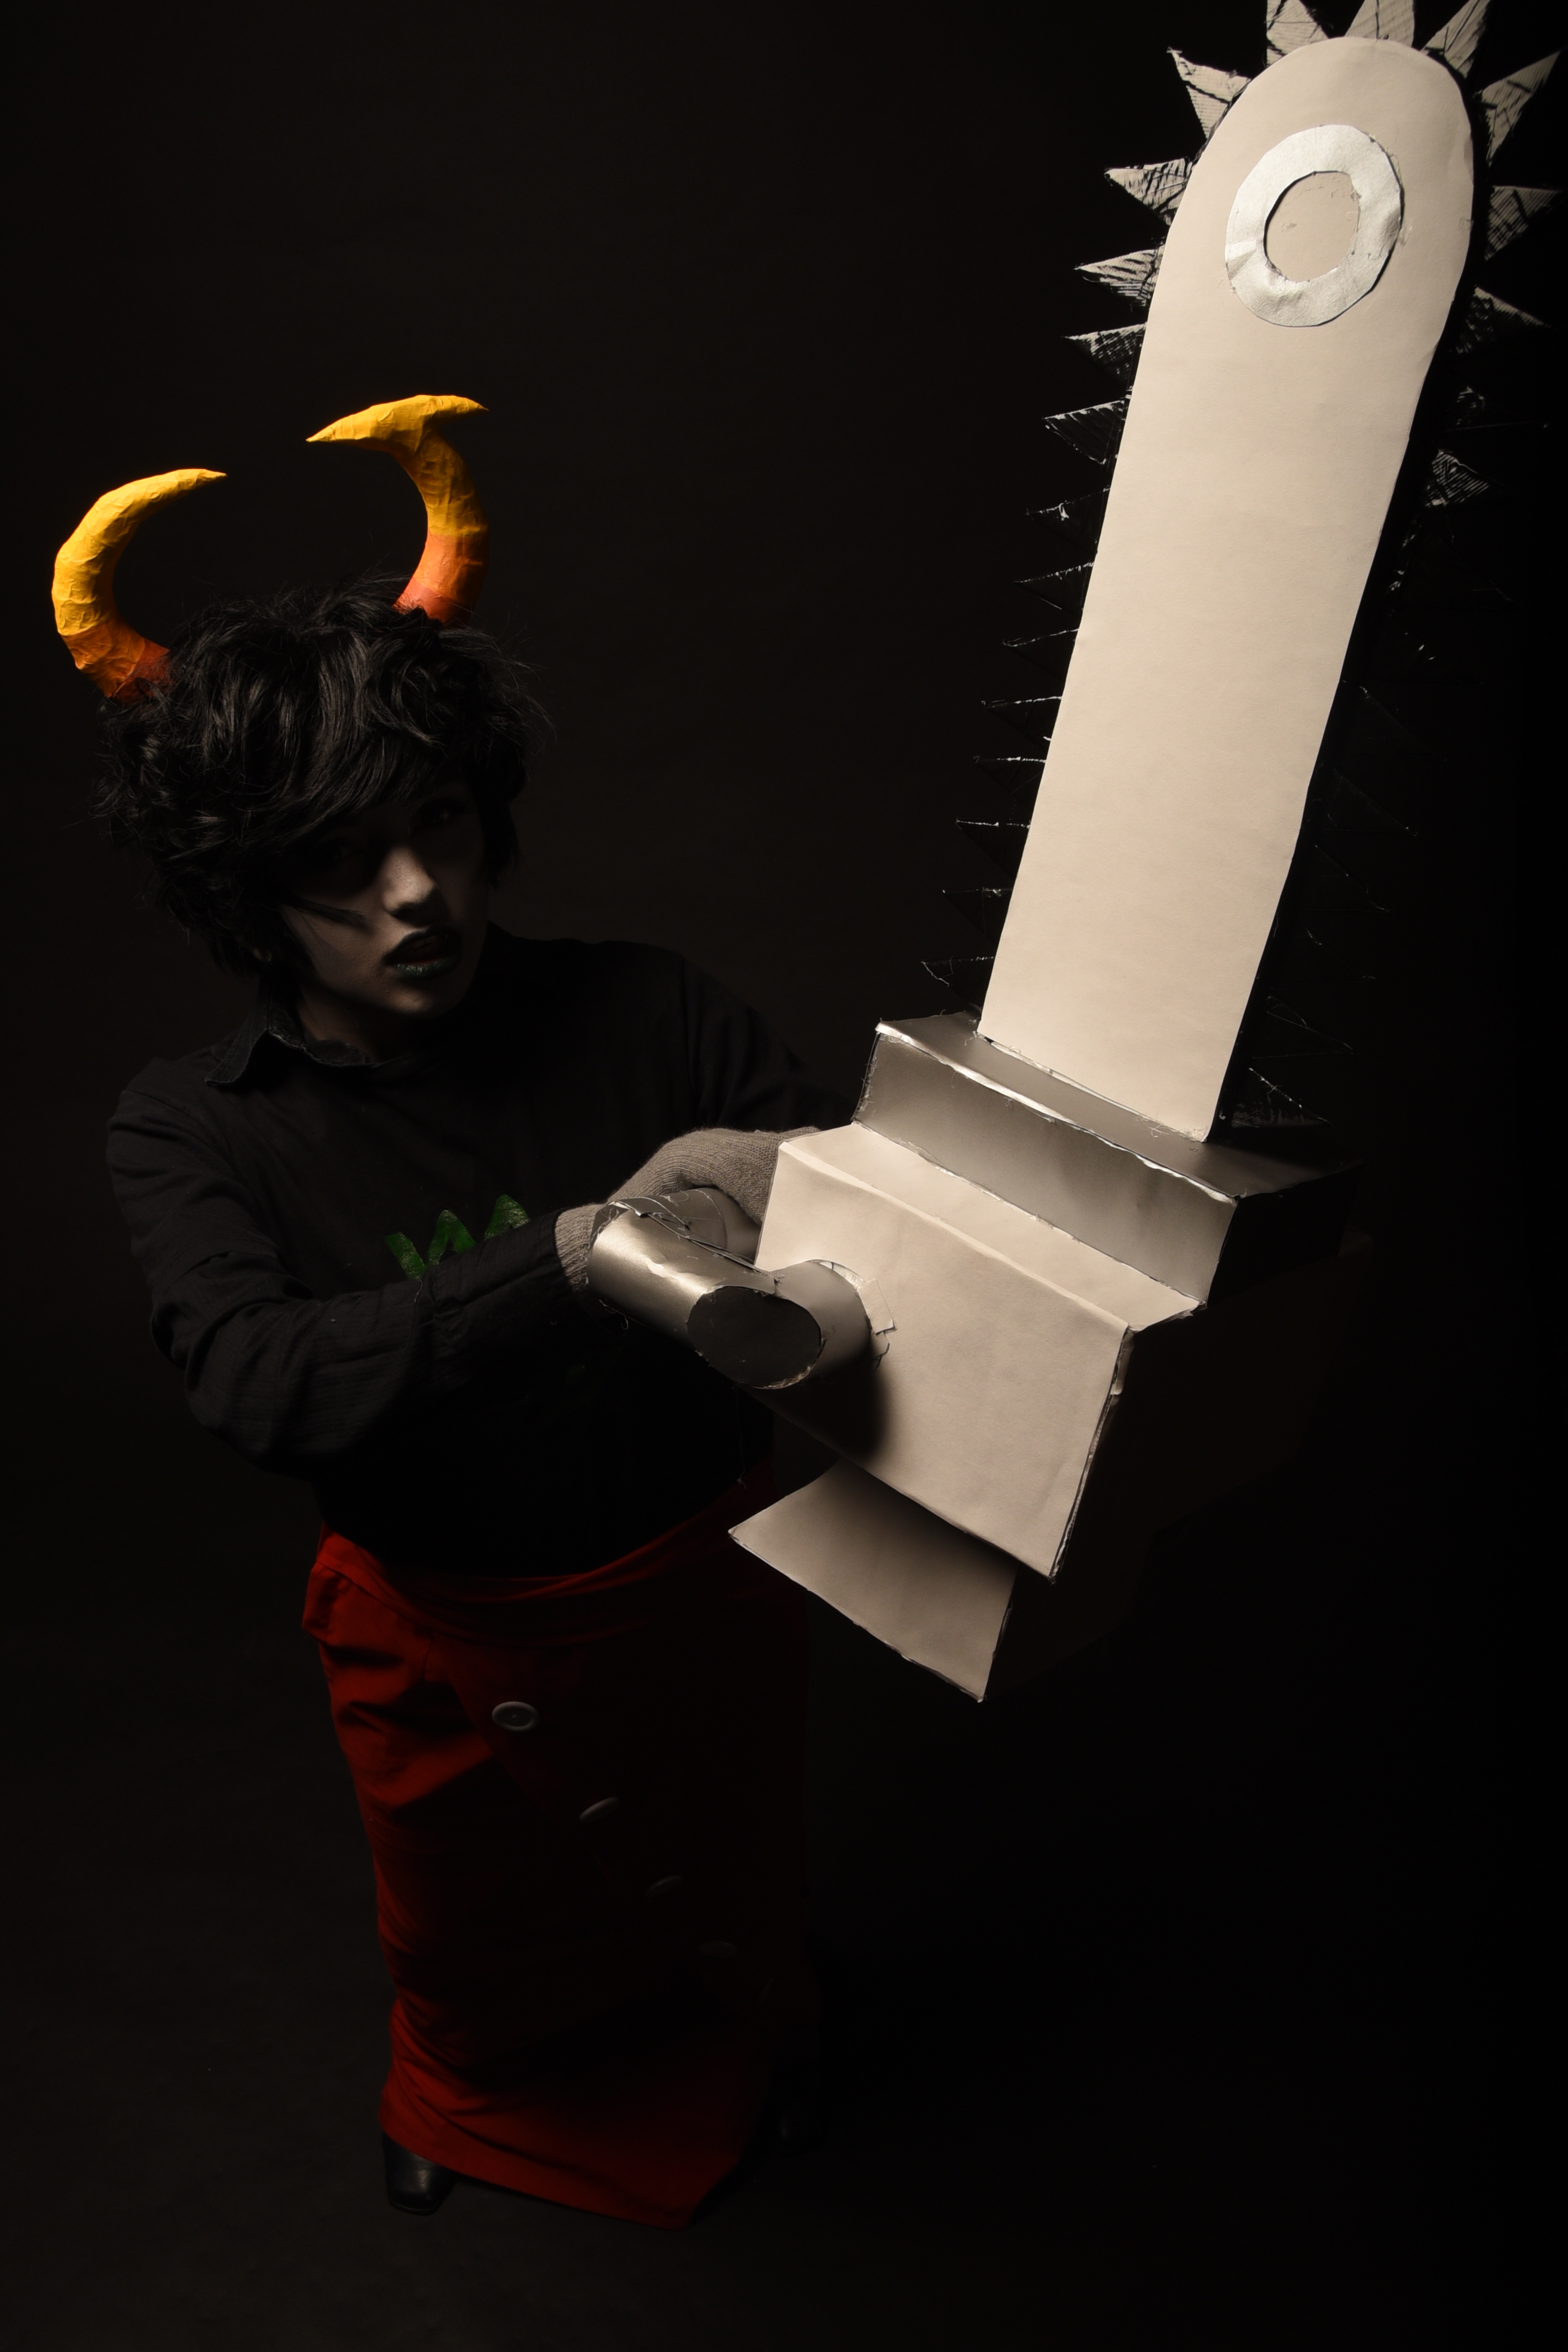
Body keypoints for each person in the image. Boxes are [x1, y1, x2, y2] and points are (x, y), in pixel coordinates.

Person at [57, 399, 844, 2227]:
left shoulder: (650, 1008)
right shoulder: (193, 1126)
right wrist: (577, 1254)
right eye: (341, 861)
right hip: (446, 1634)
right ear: (253, 892)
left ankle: (746, 2052)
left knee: (723, 1867)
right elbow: (260, 1387)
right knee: (472, 1911)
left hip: (704, 1586)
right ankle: (469, 2096)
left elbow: (852, 1207)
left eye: (436, 826)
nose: (414, 893)